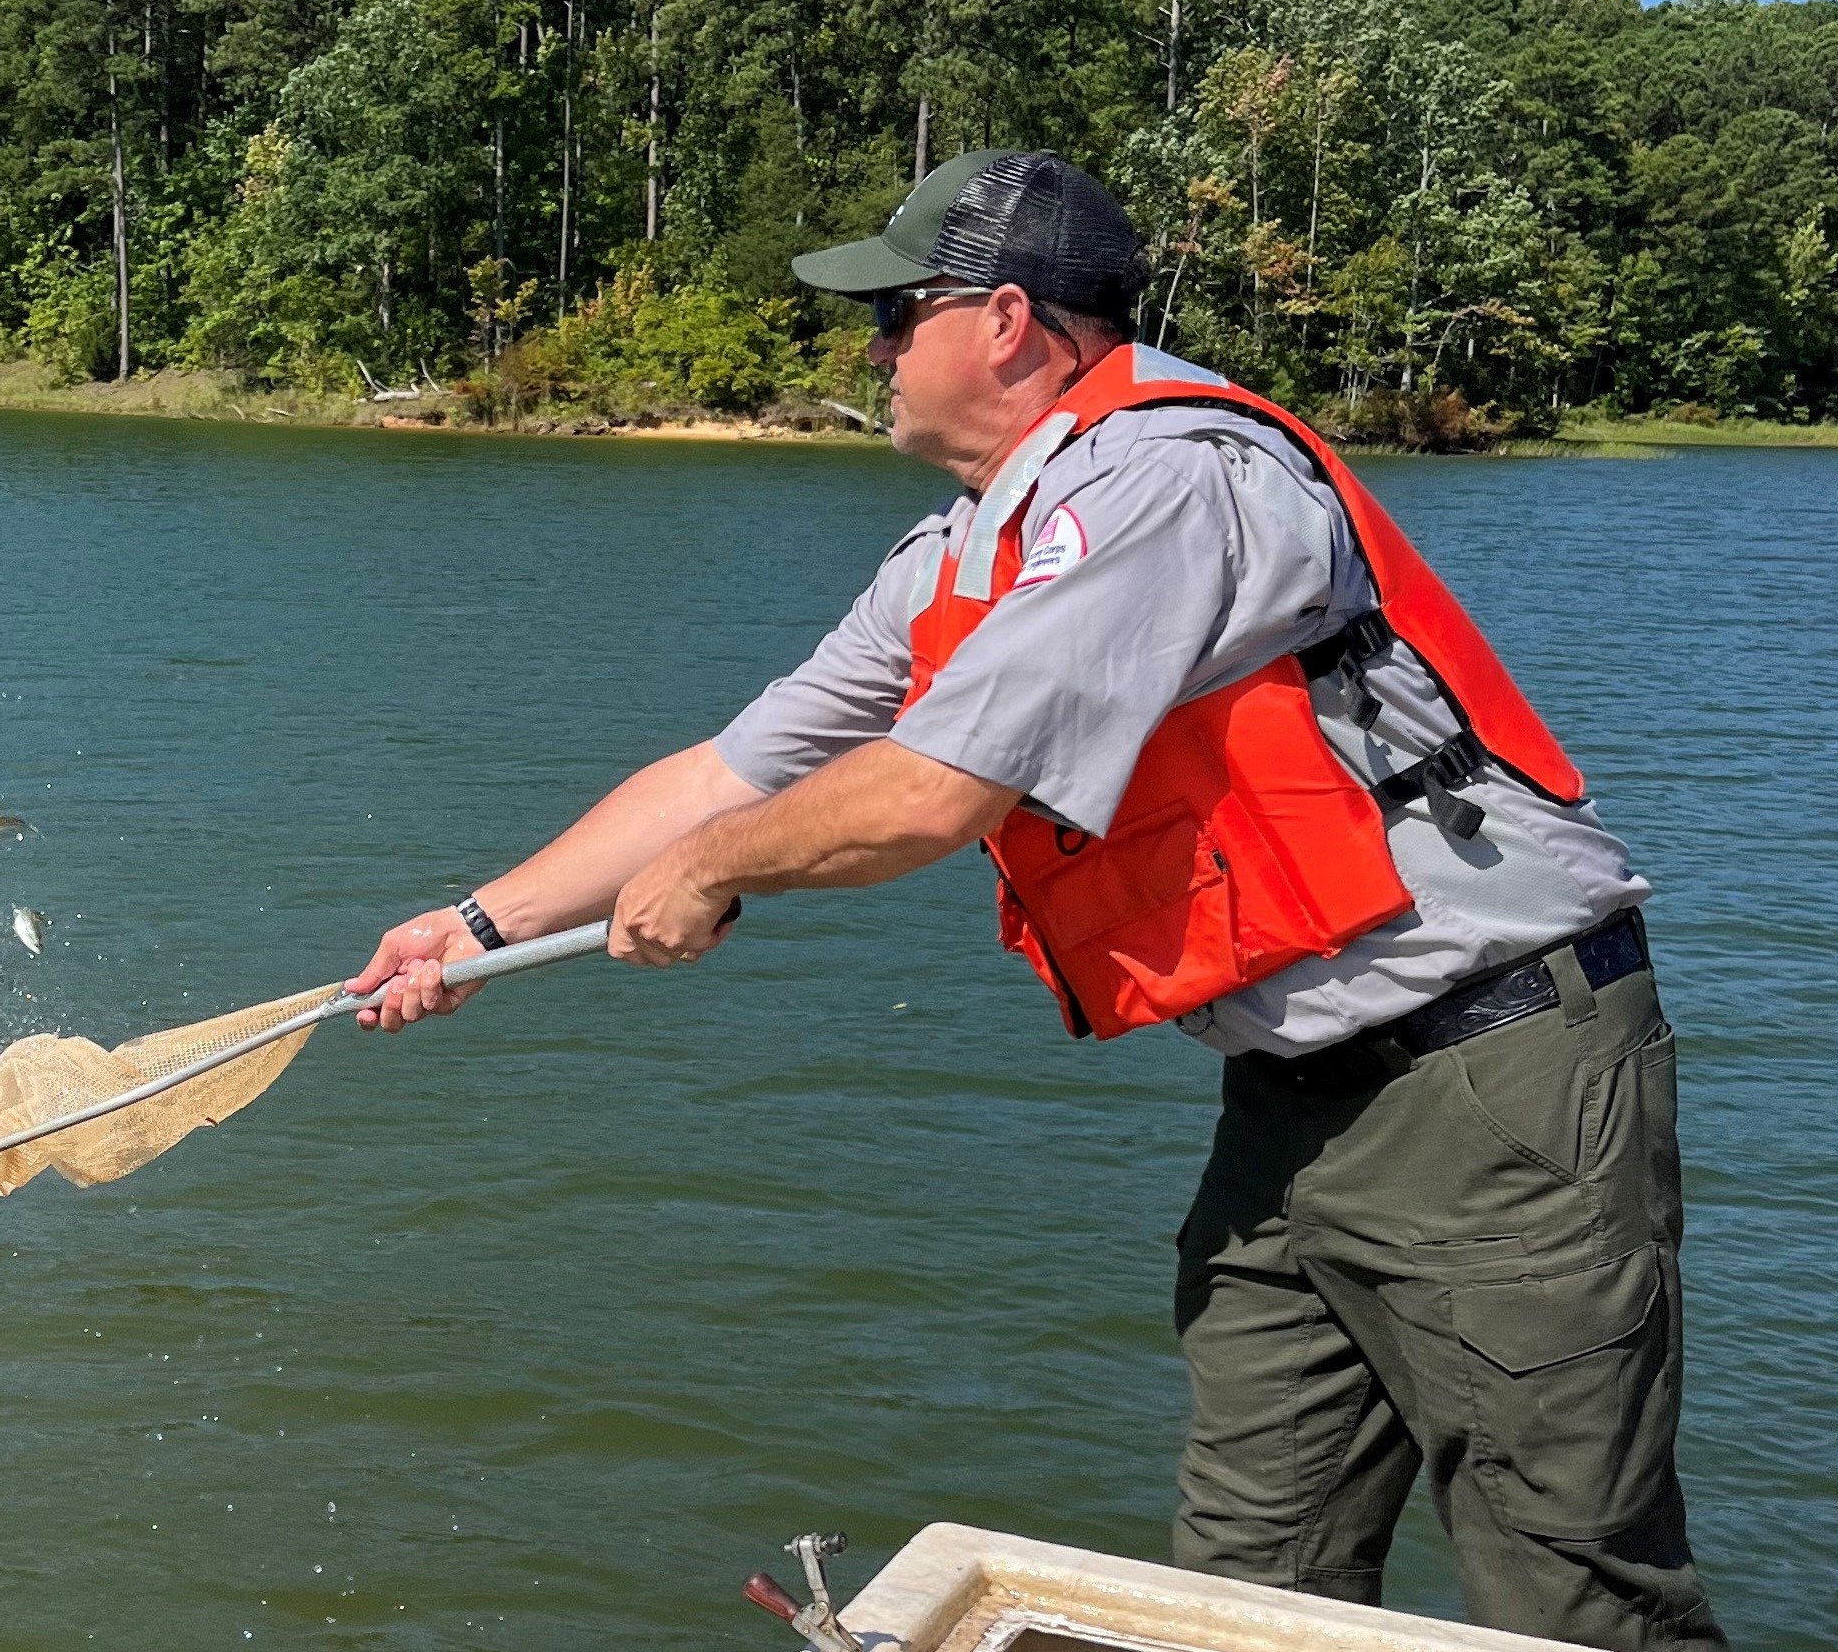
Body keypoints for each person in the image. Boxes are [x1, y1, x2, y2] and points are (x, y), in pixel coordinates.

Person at [346, 150, 1724, 1650]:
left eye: (892, 314)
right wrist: (469, 931)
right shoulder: (963, 545)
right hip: (1294, 1100)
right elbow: (727, 773)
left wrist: (708, 877)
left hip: (1488, 1079)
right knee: (1238, 1588)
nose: (867, 350)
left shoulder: (1168, 478)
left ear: (1003, 320)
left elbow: (933, 792)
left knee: (1568, 1588)